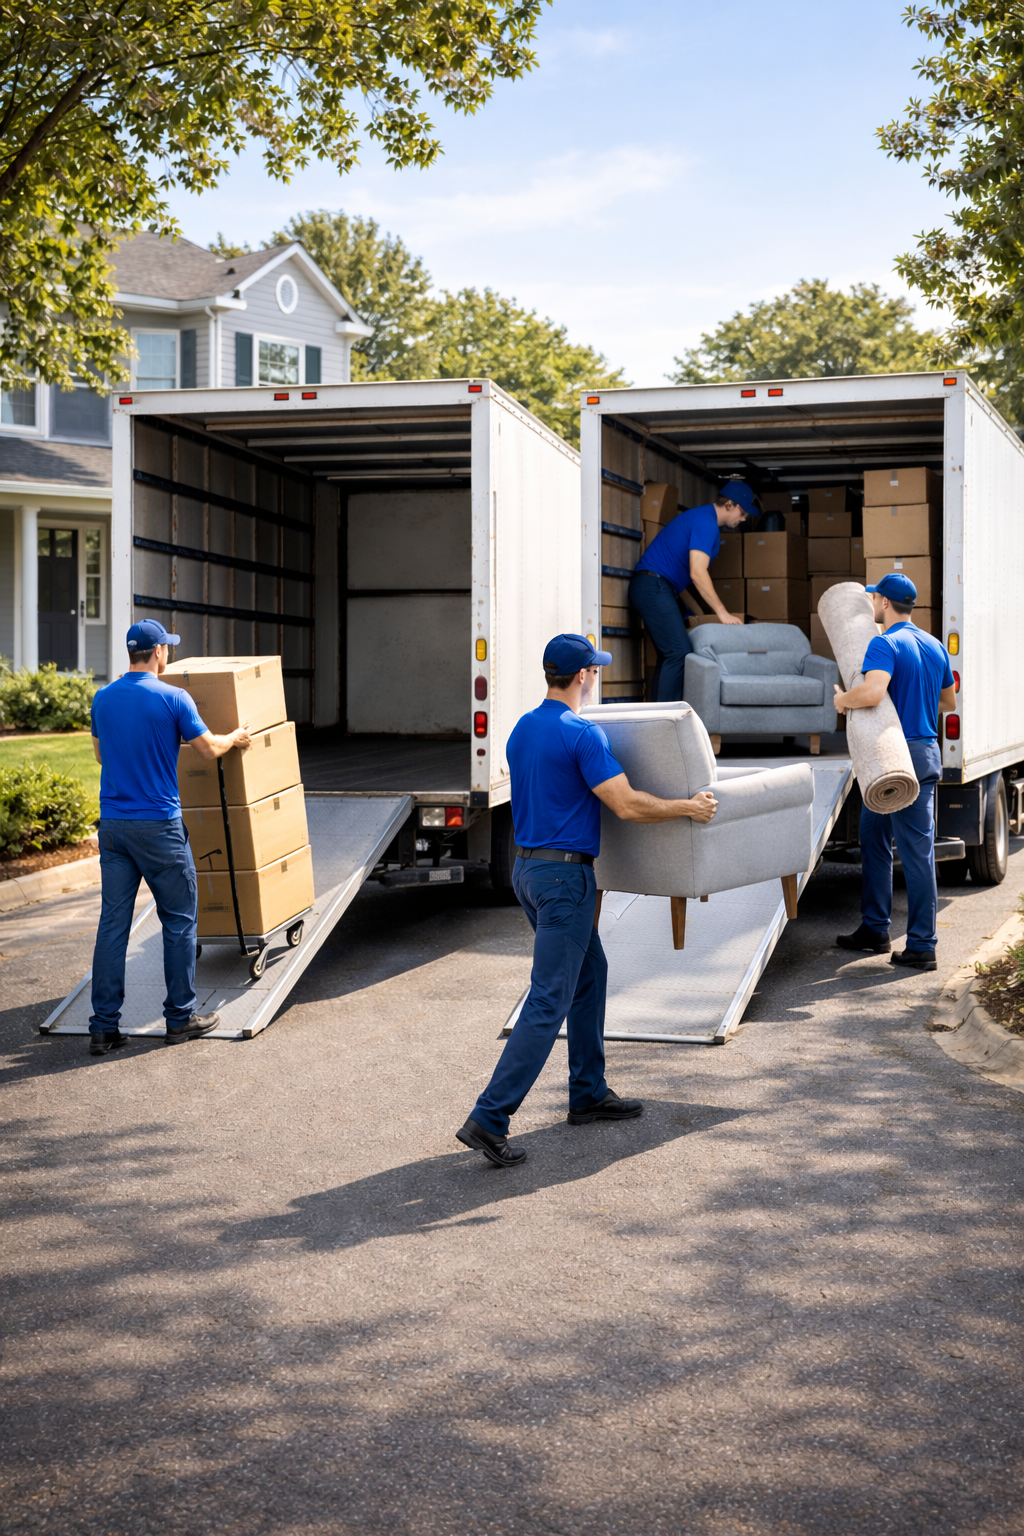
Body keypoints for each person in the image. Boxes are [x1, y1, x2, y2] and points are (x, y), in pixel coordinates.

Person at [456, 633, 719, 1168]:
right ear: (582, 676)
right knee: (547, 1000)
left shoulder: (523, 729)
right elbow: (626, 805)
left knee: (589, 971)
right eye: (594, 671)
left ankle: (588, 1092)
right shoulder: (583, 734)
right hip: (564, 881)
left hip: (528, 873)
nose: (595, 678)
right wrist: (687, 808)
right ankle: (490, 1117)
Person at [87, 620, 252, 1055]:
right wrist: (234, 738)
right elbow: (207, 749)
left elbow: (102, 756)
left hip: (114, 826)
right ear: (158, 651)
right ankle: (180, 1018)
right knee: (178, 920)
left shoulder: (102, 699)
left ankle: (103, 1026)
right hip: (158, 825)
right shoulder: (173, 697)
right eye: (167, 648)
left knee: (112, 925)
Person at [833, 574, 956, 972]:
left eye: (874, 598)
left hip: (899, 759)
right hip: (918, 754)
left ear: (884, 603)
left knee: (916, 855)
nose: (871, 604)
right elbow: (949, 701)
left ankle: (922, 945)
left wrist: (842, 700)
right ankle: (874, 928)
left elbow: (870, 693)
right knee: (873, 838)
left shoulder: (884, 643)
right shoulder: (935, 646)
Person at [628, 480, 758, 701]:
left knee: (669, 655)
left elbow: (687, 578)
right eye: (743, 512)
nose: (743, 519)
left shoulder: (704, 519)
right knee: (679, 653)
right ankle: (667, 721)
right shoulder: (706, 523)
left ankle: (658, 716)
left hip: (659, 587)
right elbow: (698, 572)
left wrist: (698, 614)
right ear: (729, 504)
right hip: (653, 587)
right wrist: (722, 613)